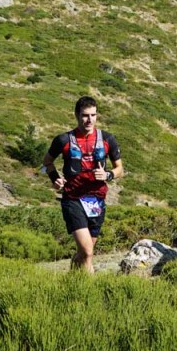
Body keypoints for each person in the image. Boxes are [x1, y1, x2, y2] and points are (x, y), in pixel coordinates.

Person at [43, 96, 124, 274]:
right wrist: (54, 178)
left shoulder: (108, 139)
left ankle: (72, 279)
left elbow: (120, 169)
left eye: (93, 115)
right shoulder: (63, 140)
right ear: (76, 115)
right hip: (73, 199)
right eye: (85, 115)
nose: (90, 120)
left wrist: (108, 174)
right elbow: (46, 162)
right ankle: (89, 290)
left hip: (97, 199)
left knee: (85, 253)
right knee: (87, 252)